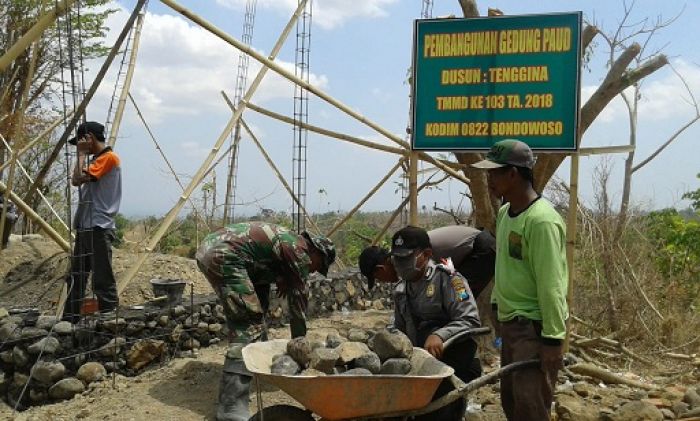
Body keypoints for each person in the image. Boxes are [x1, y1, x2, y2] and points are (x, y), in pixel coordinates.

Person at [195, 222, 335, 421]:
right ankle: (230, 408)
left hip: (216, 250)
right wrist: (300, 347)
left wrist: (282, 278)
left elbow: (260, 265)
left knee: (258, 308)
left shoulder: (291, 243)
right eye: (319, 266)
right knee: (248, 325)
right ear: (317, 252)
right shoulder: (299, 250)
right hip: (225, 255)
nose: (313, 272)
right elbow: (298, 305)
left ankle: (254, 367)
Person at [471, 139, 568, 421]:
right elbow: (506, 266)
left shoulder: (541, 221)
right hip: (512, 327)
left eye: (494, 173)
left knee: (531, 406)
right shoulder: (505, 213)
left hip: (533, 329)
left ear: (513, 174)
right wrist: (498, 309)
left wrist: (552, 339)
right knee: (512, 402)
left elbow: (552, 284)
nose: (489, 180)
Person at [387, 225, 481, 421]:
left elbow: (470, 320)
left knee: (437, 412)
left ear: (426, 254)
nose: (400, 264)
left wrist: (440, 334)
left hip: (455, 361)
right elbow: (399, 330)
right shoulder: (400, 290)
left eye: (405, 258)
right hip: (422, 366)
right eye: (397, 259)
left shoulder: (449, 278)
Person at [63, 121, 122, 322]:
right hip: (86, 225)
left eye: (80, 142)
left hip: (98, 226)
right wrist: (81, 155)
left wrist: (80, 155)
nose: (79, 148)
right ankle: (69, 321)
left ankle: (110, 322)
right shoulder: (98, 160)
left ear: (90, 139)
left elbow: (77, 178)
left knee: (102, 279)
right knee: (77, 276)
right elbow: (76, 180)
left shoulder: (109, 158)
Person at [359, 225, 496, 297]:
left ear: (380, 269)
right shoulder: (402, 258)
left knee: (460, 296)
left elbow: (442, 279)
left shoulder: (409, 258)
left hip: (481, 248)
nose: (383, 282)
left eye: (378, 278)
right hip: (467, 251)